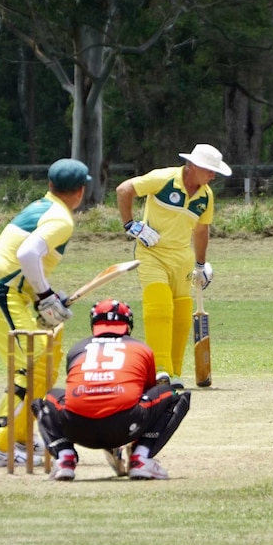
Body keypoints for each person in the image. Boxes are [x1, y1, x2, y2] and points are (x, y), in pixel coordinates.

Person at [0, 158, 90, 467]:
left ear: (50, 185)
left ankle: (20, 437)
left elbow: (22, 257)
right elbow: (26, 254)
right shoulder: (61, 218)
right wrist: (46, 295)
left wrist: (43, 297)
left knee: (42, 362)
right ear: (80, 191)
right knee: (32, 366)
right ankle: (0, 444)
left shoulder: (42, 206)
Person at [31, 298, 191, 481]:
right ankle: (141, 457)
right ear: (128, 325)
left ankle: (64, 457)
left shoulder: (77, 348)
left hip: (77, 428)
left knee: (46, 399)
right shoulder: (141, 348)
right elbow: (145, 392)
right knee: (172, 394)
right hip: (127, 425)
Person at [115, 143, 231, 382]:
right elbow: (124, 189)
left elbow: (201, 231)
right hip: (152, 254)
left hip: (182, 259)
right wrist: (131, 225)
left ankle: (175, 373)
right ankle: (160, 370)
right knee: (159, 308)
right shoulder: (163, 178)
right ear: (194, 166)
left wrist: (201, 264)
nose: (213, 175)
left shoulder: (205, 196)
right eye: (209, 170)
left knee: (181, 315)